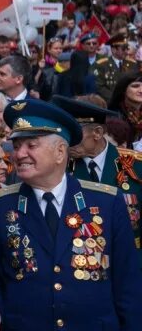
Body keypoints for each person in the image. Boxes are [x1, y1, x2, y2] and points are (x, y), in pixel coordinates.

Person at [0, 99, 142, 331]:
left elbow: (128, 286)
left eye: (31, 145)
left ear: (60, 151)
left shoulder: (106, 202)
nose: (20, 154)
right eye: (17, 146)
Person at [54, 95, 142, 250]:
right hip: (81, 262)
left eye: (74, 135)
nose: (67, 142)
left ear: (97, 133)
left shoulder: (137, 166)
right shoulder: (59, 167)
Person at [93, 32, 139, 103]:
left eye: (127, 48)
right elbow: (99, 87)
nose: (126, 52)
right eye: (123, 49)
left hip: (129, 103)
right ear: (114, 50)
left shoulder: (132, 64)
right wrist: (116, 99)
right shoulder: (101, 65)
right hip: (110, 103)